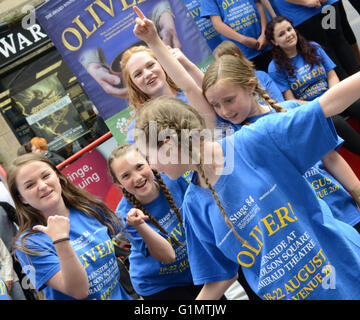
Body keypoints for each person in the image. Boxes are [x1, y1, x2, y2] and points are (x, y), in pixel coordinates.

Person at [132, 7, 360, 299]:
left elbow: (328, 103)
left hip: (346, 279)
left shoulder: (251, 141)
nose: (150, 167)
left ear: (169, 142)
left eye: (148, 154)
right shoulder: (194, 205)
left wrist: (155, 43)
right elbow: (217, 279)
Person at [8, 153, 132, 300]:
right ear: (21, 198)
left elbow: (126, 228)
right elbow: (79, 291)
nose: (42, 186)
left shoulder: (87, 207)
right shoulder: (29, 244)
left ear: (57, 176)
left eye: (46, 176)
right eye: (30, 185)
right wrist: (61, 240)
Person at [108, 143, 212, 299]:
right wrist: (140, 225)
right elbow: (167, 256)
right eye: (126, 176)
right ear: (118, 184)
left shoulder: (173, 178)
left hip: (195, 268)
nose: (137, 178)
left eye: (139, 167)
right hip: (158, 284)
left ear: (150, 162)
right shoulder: (126, 215)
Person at [266, 16, 360, 156]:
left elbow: (332, 75)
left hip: (332, 95)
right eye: (281, 34)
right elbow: (290, 100)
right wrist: (320, 105)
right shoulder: (275, 68)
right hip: (313, 109)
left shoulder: (313, 47)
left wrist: (333, 96)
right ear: (274, 42)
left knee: (357, 103)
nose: (288, 35)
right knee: (335, 122)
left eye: (289, 29)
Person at [268, 0, 360, 80]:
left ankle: (356, 79)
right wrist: (305, 1)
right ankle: (348, 89)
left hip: (325, 5)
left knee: (338, 40)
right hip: (301, 13)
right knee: (324, 48)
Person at [200, 0, 272, 71]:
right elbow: (217, 24)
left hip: (263, 43)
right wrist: (243, 40)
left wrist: (264, 33)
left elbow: (259, 4)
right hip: (242, 52)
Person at [213, 40, 284, 103]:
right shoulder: (228, 88)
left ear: (236, 57)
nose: (220, 67)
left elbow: (281, 102)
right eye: (218, 63)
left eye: (222, 62)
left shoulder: (261, 76)